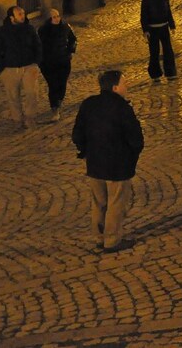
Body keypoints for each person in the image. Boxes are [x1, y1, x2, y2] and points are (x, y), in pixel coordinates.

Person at [72, 69, 144, 253]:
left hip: (95, 163)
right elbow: (136, 138)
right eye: (124, 83)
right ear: (115, 87)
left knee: (99, 202)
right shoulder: (122, 108)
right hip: (118, 165)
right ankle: (112, 240)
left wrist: (85, 150)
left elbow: (77, 134)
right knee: (115, 203)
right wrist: (132, 156)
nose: (127, 86)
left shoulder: (89, 104)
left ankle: (99, 236)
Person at [0, 5, 43, 129]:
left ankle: (30, 117)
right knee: (13, 96)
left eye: (23, 13)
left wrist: (36, 63)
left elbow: (38, 46)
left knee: (32, 94)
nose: (22, 16)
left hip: (29, 66)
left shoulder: (29, 29)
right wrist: (1, 68)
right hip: (9, 69)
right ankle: (17, 119)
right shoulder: (1, 32)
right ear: (11, 17)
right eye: (19, 14)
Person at [38, 8, 78, 122]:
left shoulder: (65, 27)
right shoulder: (43, 30)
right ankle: (54, 107)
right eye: (53, 17)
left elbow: (73, 40)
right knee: (53, 84)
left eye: (57, 16)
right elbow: (39, 46)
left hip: (63, 60)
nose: (57, 19)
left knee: (62, 83)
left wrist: (70, 51)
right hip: (48, 62)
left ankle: (59, 100)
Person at [140, 0, 177, 81]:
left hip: (164, 27)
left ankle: (170, 72)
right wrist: (146, 30)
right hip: (153, 29)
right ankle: (155, 74)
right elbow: (143, 15)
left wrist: (172, 25)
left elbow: (168, 12)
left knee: (168, 50)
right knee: (154, 52)